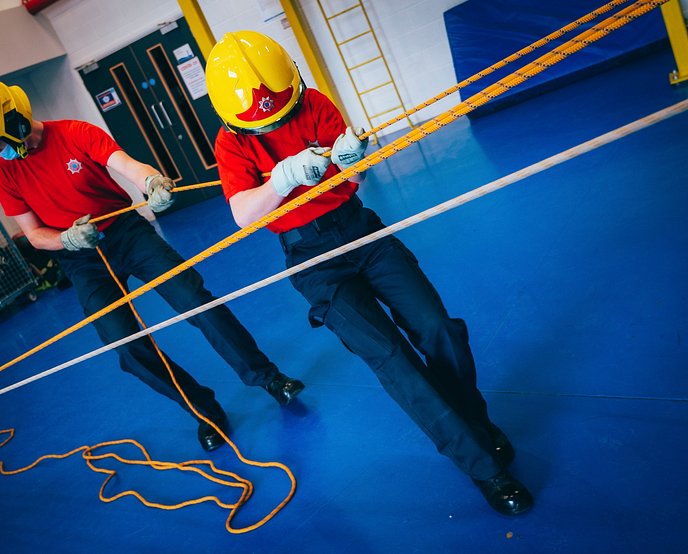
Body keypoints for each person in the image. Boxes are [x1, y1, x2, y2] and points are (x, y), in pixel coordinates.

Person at [205, 31, 534, 515]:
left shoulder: (314, 103)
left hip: (360, 230)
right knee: (393, 359)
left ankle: (476, 425)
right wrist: (283, 179)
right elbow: (243, 215)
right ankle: (482, 467)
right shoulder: (230, 142)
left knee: (438, 329)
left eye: (284, 112)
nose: (279, 123)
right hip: (312, 259)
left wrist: (351, 161)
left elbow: (355, 180)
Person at [0, 78, 305, 452]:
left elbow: (127, 165)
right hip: (80, 258)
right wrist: (67, 240)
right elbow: (34, 234)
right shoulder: (2, 172)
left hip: (125, 232)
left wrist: (151, 181)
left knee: (195, 301)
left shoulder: (74, 132)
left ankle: (268, 378)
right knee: (125, 346)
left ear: (14, 121)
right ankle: (203, 411)